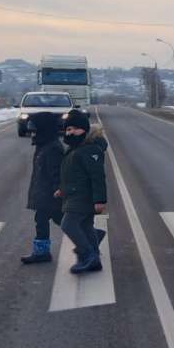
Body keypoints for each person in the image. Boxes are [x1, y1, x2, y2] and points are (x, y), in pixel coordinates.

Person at [55, 110, 108, 275]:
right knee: (85, 226)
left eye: (75, 129)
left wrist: (100, 200)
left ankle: (87, 254)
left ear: (84, 129)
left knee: (68, 224)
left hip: (84, 196)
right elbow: (71, 174)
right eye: (68, 129)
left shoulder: (90, 150)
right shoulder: (75, 148)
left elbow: (97, 177)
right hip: (74, 194)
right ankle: (94, 260)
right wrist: (62, 190)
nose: (71, 132)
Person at [20, 112, 65, 264]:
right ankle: (42, 252)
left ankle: (90, 238)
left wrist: (58, 190)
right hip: (44, 193)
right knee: (48, 220)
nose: (32, 133)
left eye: (35, 130)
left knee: (61, 221)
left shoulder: (52, 148)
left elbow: (56, 173)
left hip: (50, 195)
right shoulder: (44, 145)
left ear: (44, 129)